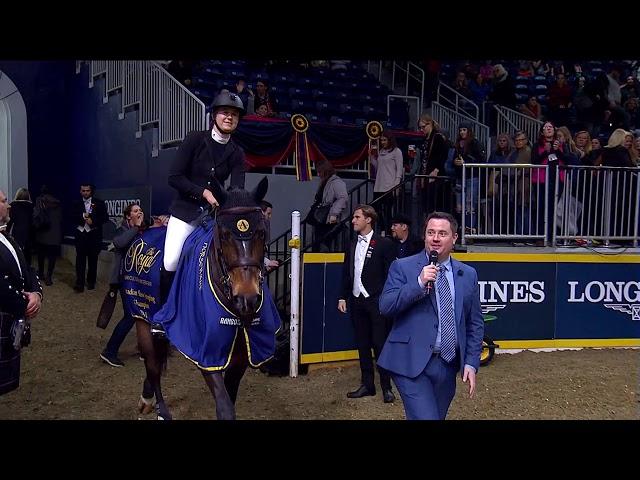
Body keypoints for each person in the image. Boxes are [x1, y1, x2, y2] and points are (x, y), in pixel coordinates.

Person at [378, 211, 484, 420]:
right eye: (430, 232)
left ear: (454, 238)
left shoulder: (468, 274)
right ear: (424, 236)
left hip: (447, 365)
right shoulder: (403, 267)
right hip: (409, 362)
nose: (435, 238)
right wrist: (418, 283)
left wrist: (471, 362)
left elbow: (474, 323)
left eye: (442, 233)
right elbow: (386, 306)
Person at [161, 91, 247, 308]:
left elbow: (237, 189)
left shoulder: (237, 152)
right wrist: (204, 193)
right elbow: (174, 177)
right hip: (185, 213)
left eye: (235, 115)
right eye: (225, 113)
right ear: (214, 116)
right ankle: (163, 315)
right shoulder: (195, 139)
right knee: (171, 260)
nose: (229, 117)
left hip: (213, 218)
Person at [337, 205, 396, 403]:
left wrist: (385, 298)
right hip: (356, 300)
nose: (353, 220)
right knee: (362, 344)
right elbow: (347, 272)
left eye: (357, 217)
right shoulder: (351, 243)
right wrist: (342, 297)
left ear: (368, 219)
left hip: (376, 301)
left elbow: (391, 274)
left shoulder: (384, 244)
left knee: (380, 344)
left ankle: (386, 387)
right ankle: (367, 385)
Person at [0, 189, 43, 396]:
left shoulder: (8, 237)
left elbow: (28, 269)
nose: (8, 205)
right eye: (3, 201)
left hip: (10, 320)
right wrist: (24, 304)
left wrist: (36, 293)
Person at [100, 203, 148, 367]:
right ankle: (109, 351)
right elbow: (120, 243)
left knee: (142, 314)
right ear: (128, 216)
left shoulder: (142, 230)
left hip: (137, 280)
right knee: (131, 316)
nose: (139, 213)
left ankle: (144, 348)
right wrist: (136, 228)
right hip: (123, 280)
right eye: (135, 211)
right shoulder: (122, 229)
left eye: (140, 210)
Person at [72, 184, 108, 292]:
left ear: (91, 191)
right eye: (83, 190)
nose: (85, 192)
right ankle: (80, 284)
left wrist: (94, 222)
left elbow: (105, 218)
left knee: (93, 260)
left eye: (87, 190)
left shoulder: (99, 203)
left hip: (94, 236)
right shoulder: (76, 203)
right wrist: (82, 219)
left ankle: (91, 282)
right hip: (81, 235)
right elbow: (71, 217)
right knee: (80, 261)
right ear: (80, 191)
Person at [310, 161, 348, 253]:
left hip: (330, 220)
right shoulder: (325, 182)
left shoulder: (336, 182)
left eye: (320, 172)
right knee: (319, 243)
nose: (318, 174)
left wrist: (334, 213)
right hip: (322, 219)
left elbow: (343, 198)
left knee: (325, 243)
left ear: (325, 171)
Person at [370, 131, 404, 235]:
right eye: (381, 140)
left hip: (390, 186)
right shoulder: (381, 151)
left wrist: (396, 185)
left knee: (388, 211)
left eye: (384, 140)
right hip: (379, 185)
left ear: (390, 140)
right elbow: (378, 167)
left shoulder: (397, 152)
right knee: (376, 209)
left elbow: (399, 169)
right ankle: (383, 229)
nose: (383, 142)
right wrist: (371, 157)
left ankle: (388, 232)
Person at [33, 185, 63, 286]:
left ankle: (41, 273)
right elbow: (60, 218)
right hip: (54, 234)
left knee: (41, 256)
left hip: (42, 233)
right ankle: (49, 277)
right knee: (52, 257)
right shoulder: (58, 203)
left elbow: (36, 215)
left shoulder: (39, 200)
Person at [7, 188, 34, 266]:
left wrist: (7, 234)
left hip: (17, 233)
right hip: (28, 233)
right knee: (28, 256)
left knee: (17, 254)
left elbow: (9, 222)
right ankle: (27, 273)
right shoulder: (31, 206)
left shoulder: (13, 205)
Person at [260, 200, 279, 272]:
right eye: (268, 213)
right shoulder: (256, 229)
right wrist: (267, 262)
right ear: (262, 212)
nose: (270, 216)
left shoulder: (265, 227)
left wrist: (266, 263)